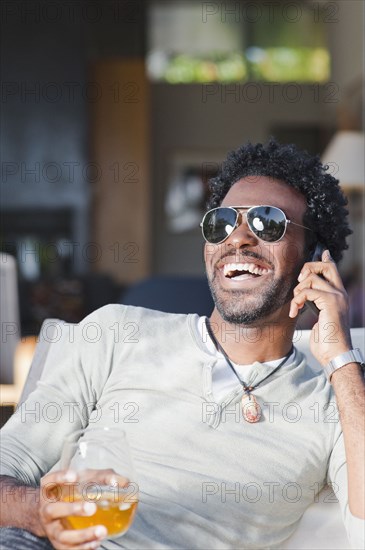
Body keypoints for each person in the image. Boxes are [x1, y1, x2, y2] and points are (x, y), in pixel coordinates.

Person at [0, 139, 364, 550]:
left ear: (314, 257)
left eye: (267, 222)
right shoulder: (114, 332)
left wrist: (343, 360)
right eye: (221, 222)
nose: (238, 238)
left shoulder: (336, 402)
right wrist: (38, 512)